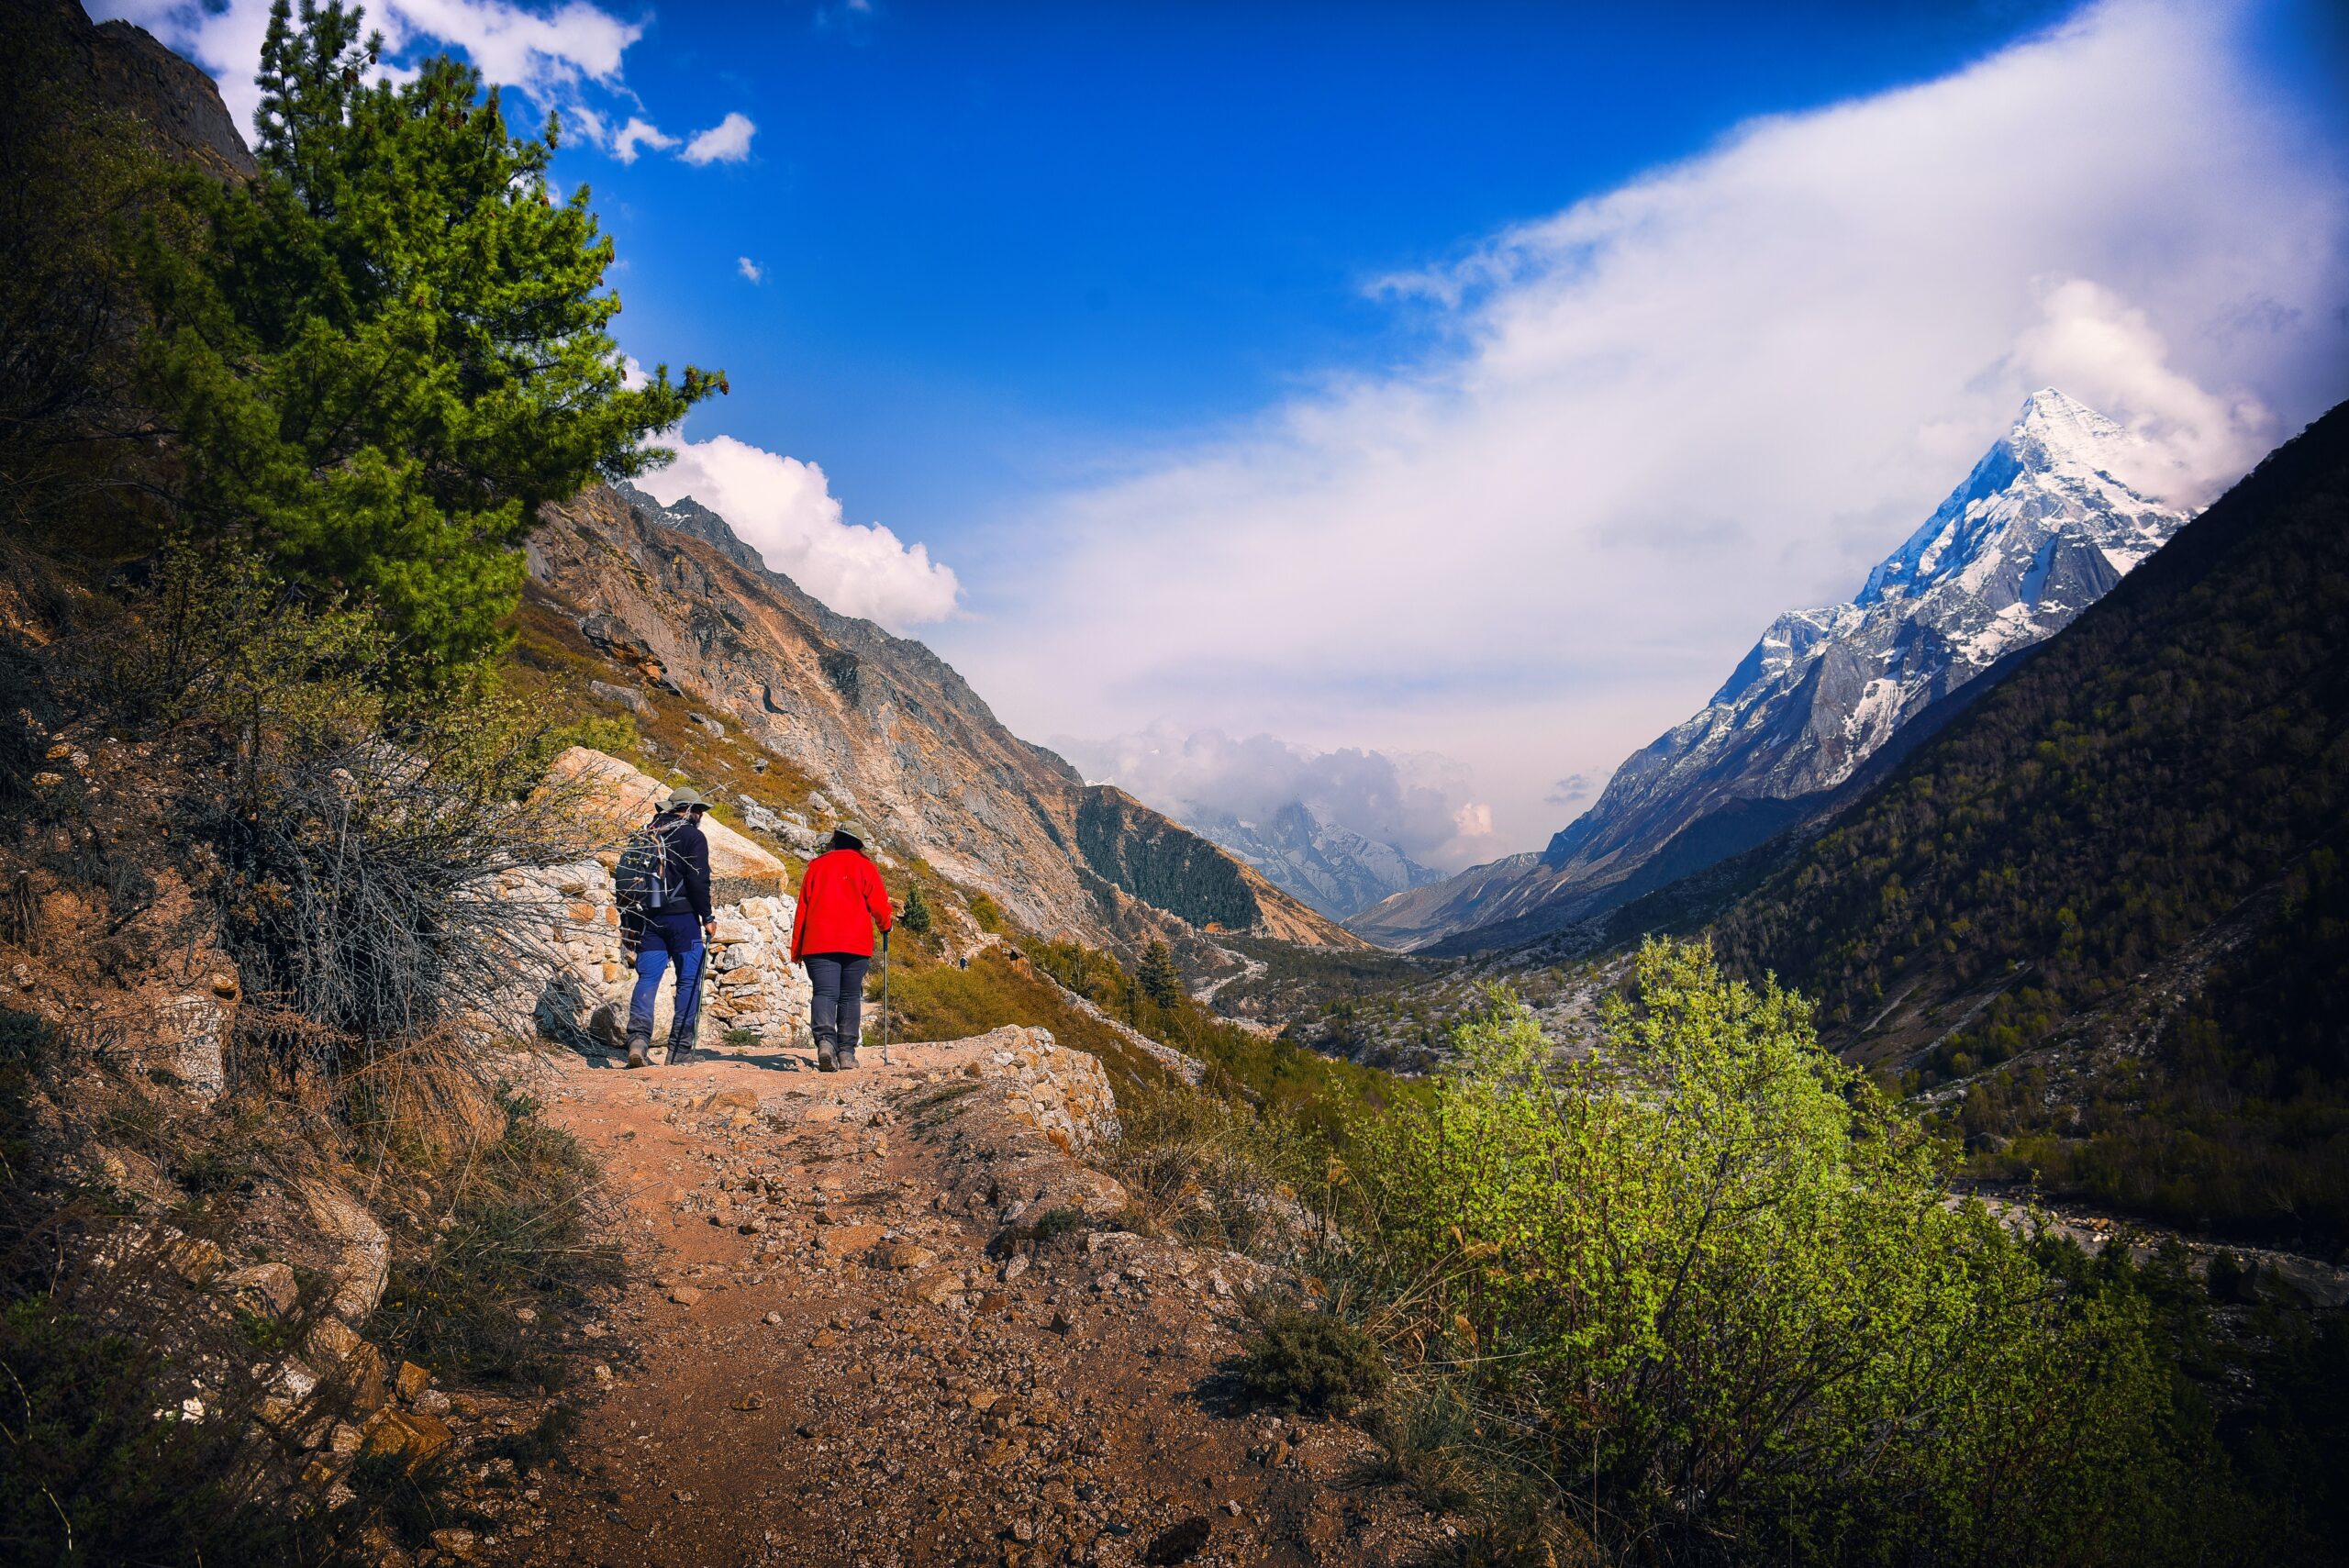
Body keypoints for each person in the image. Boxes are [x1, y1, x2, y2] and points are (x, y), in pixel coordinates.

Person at [618, 786, 717, 1069]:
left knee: (647, 979)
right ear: (688, 811)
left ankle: (637, 1041)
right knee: (689, 980)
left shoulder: (647, 833)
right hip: (683, 920)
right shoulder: (692, 837)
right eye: (698, 810)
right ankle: (680, 1050)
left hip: (648, 918)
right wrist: (707, 917)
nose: (700, 815)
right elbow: (699, 882)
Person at [788, 822, 893, 1072]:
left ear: (835, 839)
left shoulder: (816, 867)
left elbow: (802, 909)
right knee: (849, 996)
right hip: (855, 944)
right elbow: (879, 905)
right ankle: (846, 1053)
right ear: (859, 844)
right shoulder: (866, 867)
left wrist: (797, 949)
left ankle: (825, 1043)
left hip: (818, 943)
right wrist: (885, 925)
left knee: (824, 993)